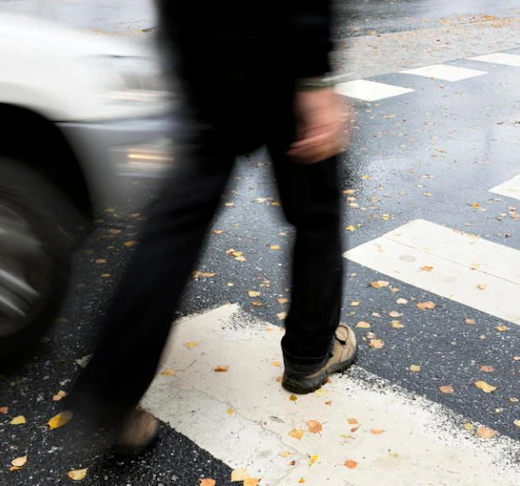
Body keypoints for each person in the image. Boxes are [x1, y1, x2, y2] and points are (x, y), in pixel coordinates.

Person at [64, 0, 355, 449]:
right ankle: (309, 354)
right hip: (276, 47)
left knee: (176, 224)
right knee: (316, 211)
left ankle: (110, 392)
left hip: (198, 43)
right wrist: (315, 76)